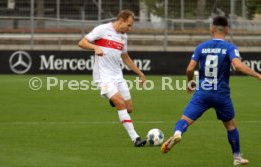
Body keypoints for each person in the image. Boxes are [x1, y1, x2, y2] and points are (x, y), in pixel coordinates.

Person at [161, 16, 261, 165]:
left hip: (202, 93)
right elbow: (238, 66)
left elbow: (189, 69)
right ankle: (237, 157)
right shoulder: (230, 47)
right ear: (227, 30)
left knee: (185, 120)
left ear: (211, 29)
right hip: (221, 95)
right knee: (231, 125)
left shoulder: (201, 47)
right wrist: (258, 75)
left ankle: (177, 133)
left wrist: (190, 83)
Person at [78, 10, 147, 147]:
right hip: (103, 77)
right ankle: (135, 138)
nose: (130, 28)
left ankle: (112, 99)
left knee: (129, 108)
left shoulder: (123, 37)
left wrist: (140, 73)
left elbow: (125, 57)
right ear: (120, 21)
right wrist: (95, 47)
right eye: (128, 25)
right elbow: (81, 42)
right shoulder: (102, 29)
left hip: (118, 76)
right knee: (120, 103)